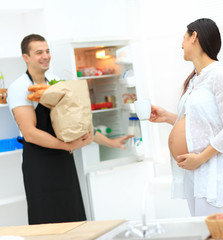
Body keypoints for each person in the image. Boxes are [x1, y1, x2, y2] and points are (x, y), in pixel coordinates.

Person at [7, 34, 132, 225]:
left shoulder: (56, 81)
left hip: (63, 161)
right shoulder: (19, 87)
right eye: (39, 52)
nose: (46, 56)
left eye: (47, 51)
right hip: (39, 163)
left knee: (72, 217)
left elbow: (77, 123)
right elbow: (30, 133)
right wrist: (68, 146)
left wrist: (111, 142)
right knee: (47, 220)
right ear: (26, 57)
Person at [149, 18, 223, 216]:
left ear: (195, 37)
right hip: (193, 170)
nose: (181, 44)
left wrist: (200, 158)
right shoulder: (196, 80)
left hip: (213, 172)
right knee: (202, 232)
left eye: (184, 38)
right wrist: (166, 117)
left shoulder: (220, 76)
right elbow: (196, 125)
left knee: (214, 233)